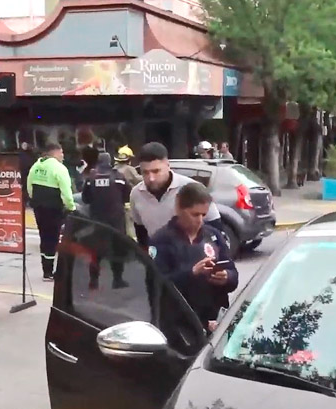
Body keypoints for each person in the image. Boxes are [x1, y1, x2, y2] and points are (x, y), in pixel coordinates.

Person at [149, 182, 238, 332]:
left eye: (204, 214)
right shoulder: (161, 240)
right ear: (179, 208)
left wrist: (226, 277)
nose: (199, 220)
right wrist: (191, 273)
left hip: (214, 322)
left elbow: (233, 274)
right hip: (180, 325)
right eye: (194, 214)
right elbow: (157, 285)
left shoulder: (213, 236)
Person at [130, 142, 223, 250]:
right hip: (159, 259)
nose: (151, 178)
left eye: (156, 171)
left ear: (168, 165)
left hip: (191, 256)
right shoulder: (136, 194)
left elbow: (215, 226)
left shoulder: (190, 188)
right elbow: (141, 234)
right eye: (145, 172)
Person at [27, 141, 76, 281]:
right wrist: (71, 207)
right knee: (53, 238)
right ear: (55, 152)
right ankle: (50, 272)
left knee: (44, 237)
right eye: (61, 153)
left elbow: (29, 186)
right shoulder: (59, 168)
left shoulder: (36, 166)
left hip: (38, 207)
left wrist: (34, 200)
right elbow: (66, 192)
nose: (63, 156)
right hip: (53, 207)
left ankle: (46, 270)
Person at [81, 152, 131, 289]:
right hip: (116, 220)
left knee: (96, 250)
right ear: (110, 162)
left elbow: (85, 198)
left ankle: (93, 281)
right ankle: (117, 280)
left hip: (97, 219)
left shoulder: (91, 177)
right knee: (117, 249)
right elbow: (128, 195)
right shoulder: (118, 176)